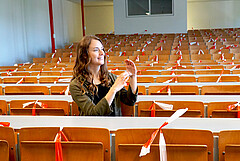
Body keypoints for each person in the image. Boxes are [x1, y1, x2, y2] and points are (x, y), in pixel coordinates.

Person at [70, 35, 138, 116]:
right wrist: (113, 89)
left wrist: (133, 77)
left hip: (114, 126)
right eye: (96, 50)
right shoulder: (76, 85)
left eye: (102, 49)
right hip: (92, 127)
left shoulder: (111, 77)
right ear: (85, 55)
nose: (102, 53)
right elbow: (93, 113)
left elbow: (130, 101)